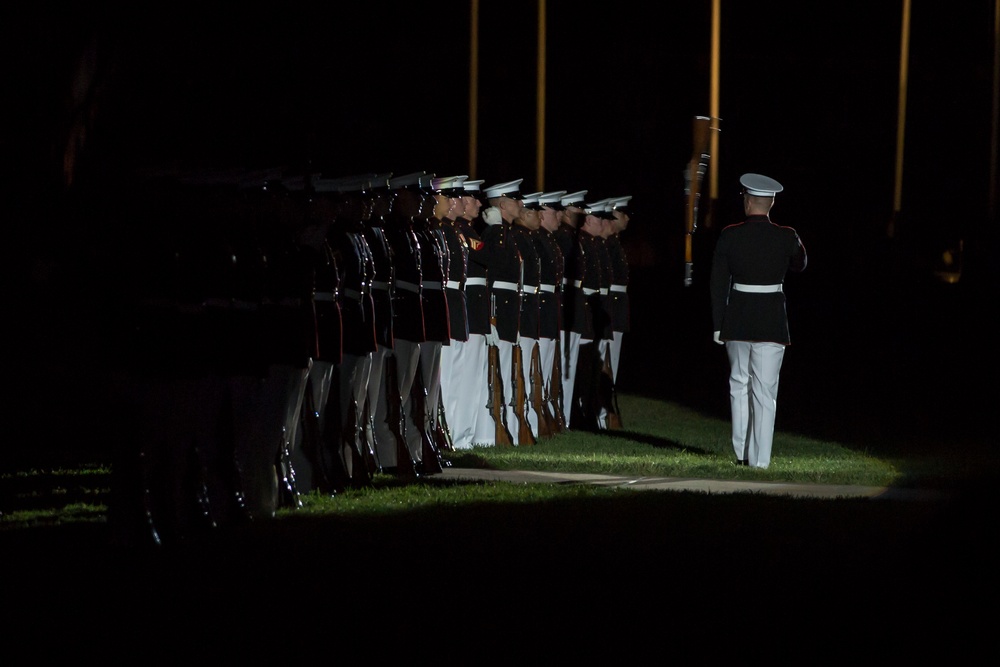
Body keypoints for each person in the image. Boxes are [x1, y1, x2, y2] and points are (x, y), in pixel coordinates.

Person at [710, 173, 807, 469]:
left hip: (738, 319)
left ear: (748, 200)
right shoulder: (786, 235)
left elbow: (717, 282)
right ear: (771, 202)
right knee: (765, 392)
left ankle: (740, 453)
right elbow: (800, 263)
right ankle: (760, 461)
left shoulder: (730, 234)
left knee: (739, 383)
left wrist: (718, 324)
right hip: (771, 321)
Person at [481, 178, 526, 444]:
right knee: (498, 372)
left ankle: (507, 426)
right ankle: (498, 428)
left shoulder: (505, 232)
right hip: (501, 308)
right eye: (515, 200)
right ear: (502, 204)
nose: (521, 204)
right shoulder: (497, 233)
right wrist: (491, 314)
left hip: (510, 309)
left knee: (507, 371)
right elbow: (492, 274)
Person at [552, 189, 587, 428]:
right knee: (564, 364)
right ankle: (559, 413)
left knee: (570, 365)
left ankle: (563, 414)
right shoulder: (564, 238)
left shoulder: (572, 237)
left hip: (572, 307)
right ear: (565, 212)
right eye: (576, 208)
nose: (581, 212)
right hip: (565, 307)